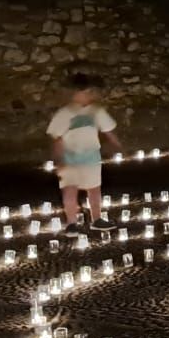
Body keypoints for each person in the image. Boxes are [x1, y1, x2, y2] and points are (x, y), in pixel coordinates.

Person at [46, 73, 122, 234]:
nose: (90, 96)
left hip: (91, 157)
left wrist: (116, 143)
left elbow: (108, 129)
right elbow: (56, 137)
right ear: (76, 93)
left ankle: (97, 219)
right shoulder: (64, 113)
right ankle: (72, 223)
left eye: (91, 92)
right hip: (70, 158)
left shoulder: (96, 111)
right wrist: (59, 159)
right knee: (70, 190)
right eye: (86, 92)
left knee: (94, 189)